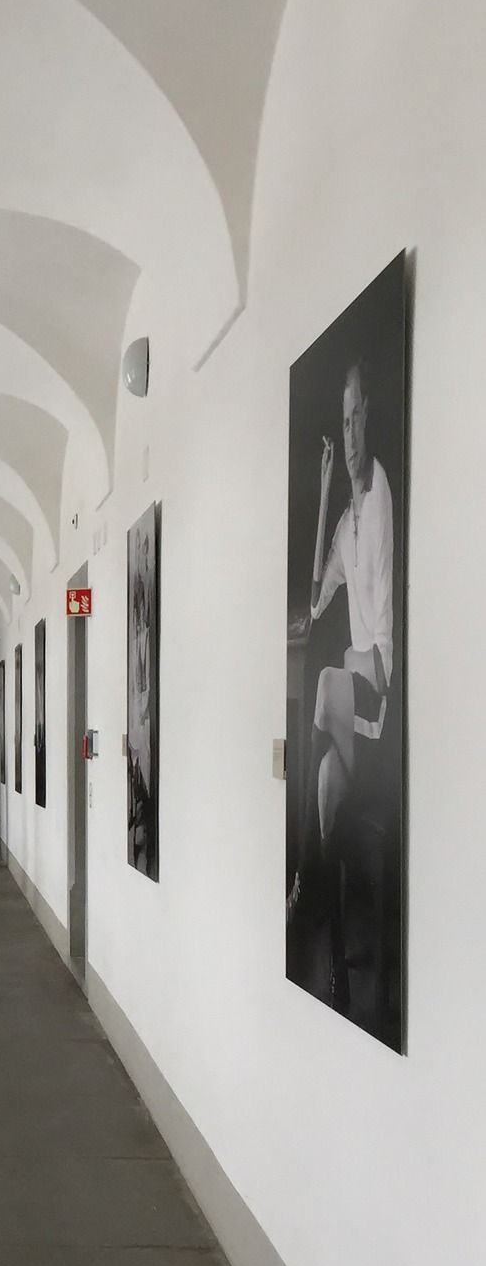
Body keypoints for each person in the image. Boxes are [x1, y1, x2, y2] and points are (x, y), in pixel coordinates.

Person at [287, 359, 394, 985]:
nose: (350, 433)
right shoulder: (351, 512)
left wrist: (355, 665)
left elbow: (378, 653)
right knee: (324, 781)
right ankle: (323, 905)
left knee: (327, 681)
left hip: (376, 703)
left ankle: (306, 882)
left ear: (370, 421)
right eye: (343, 421)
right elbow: (316, 595)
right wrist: (326, 491)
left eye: (357, 419)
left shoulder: (378, 494)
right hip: (350, 711)